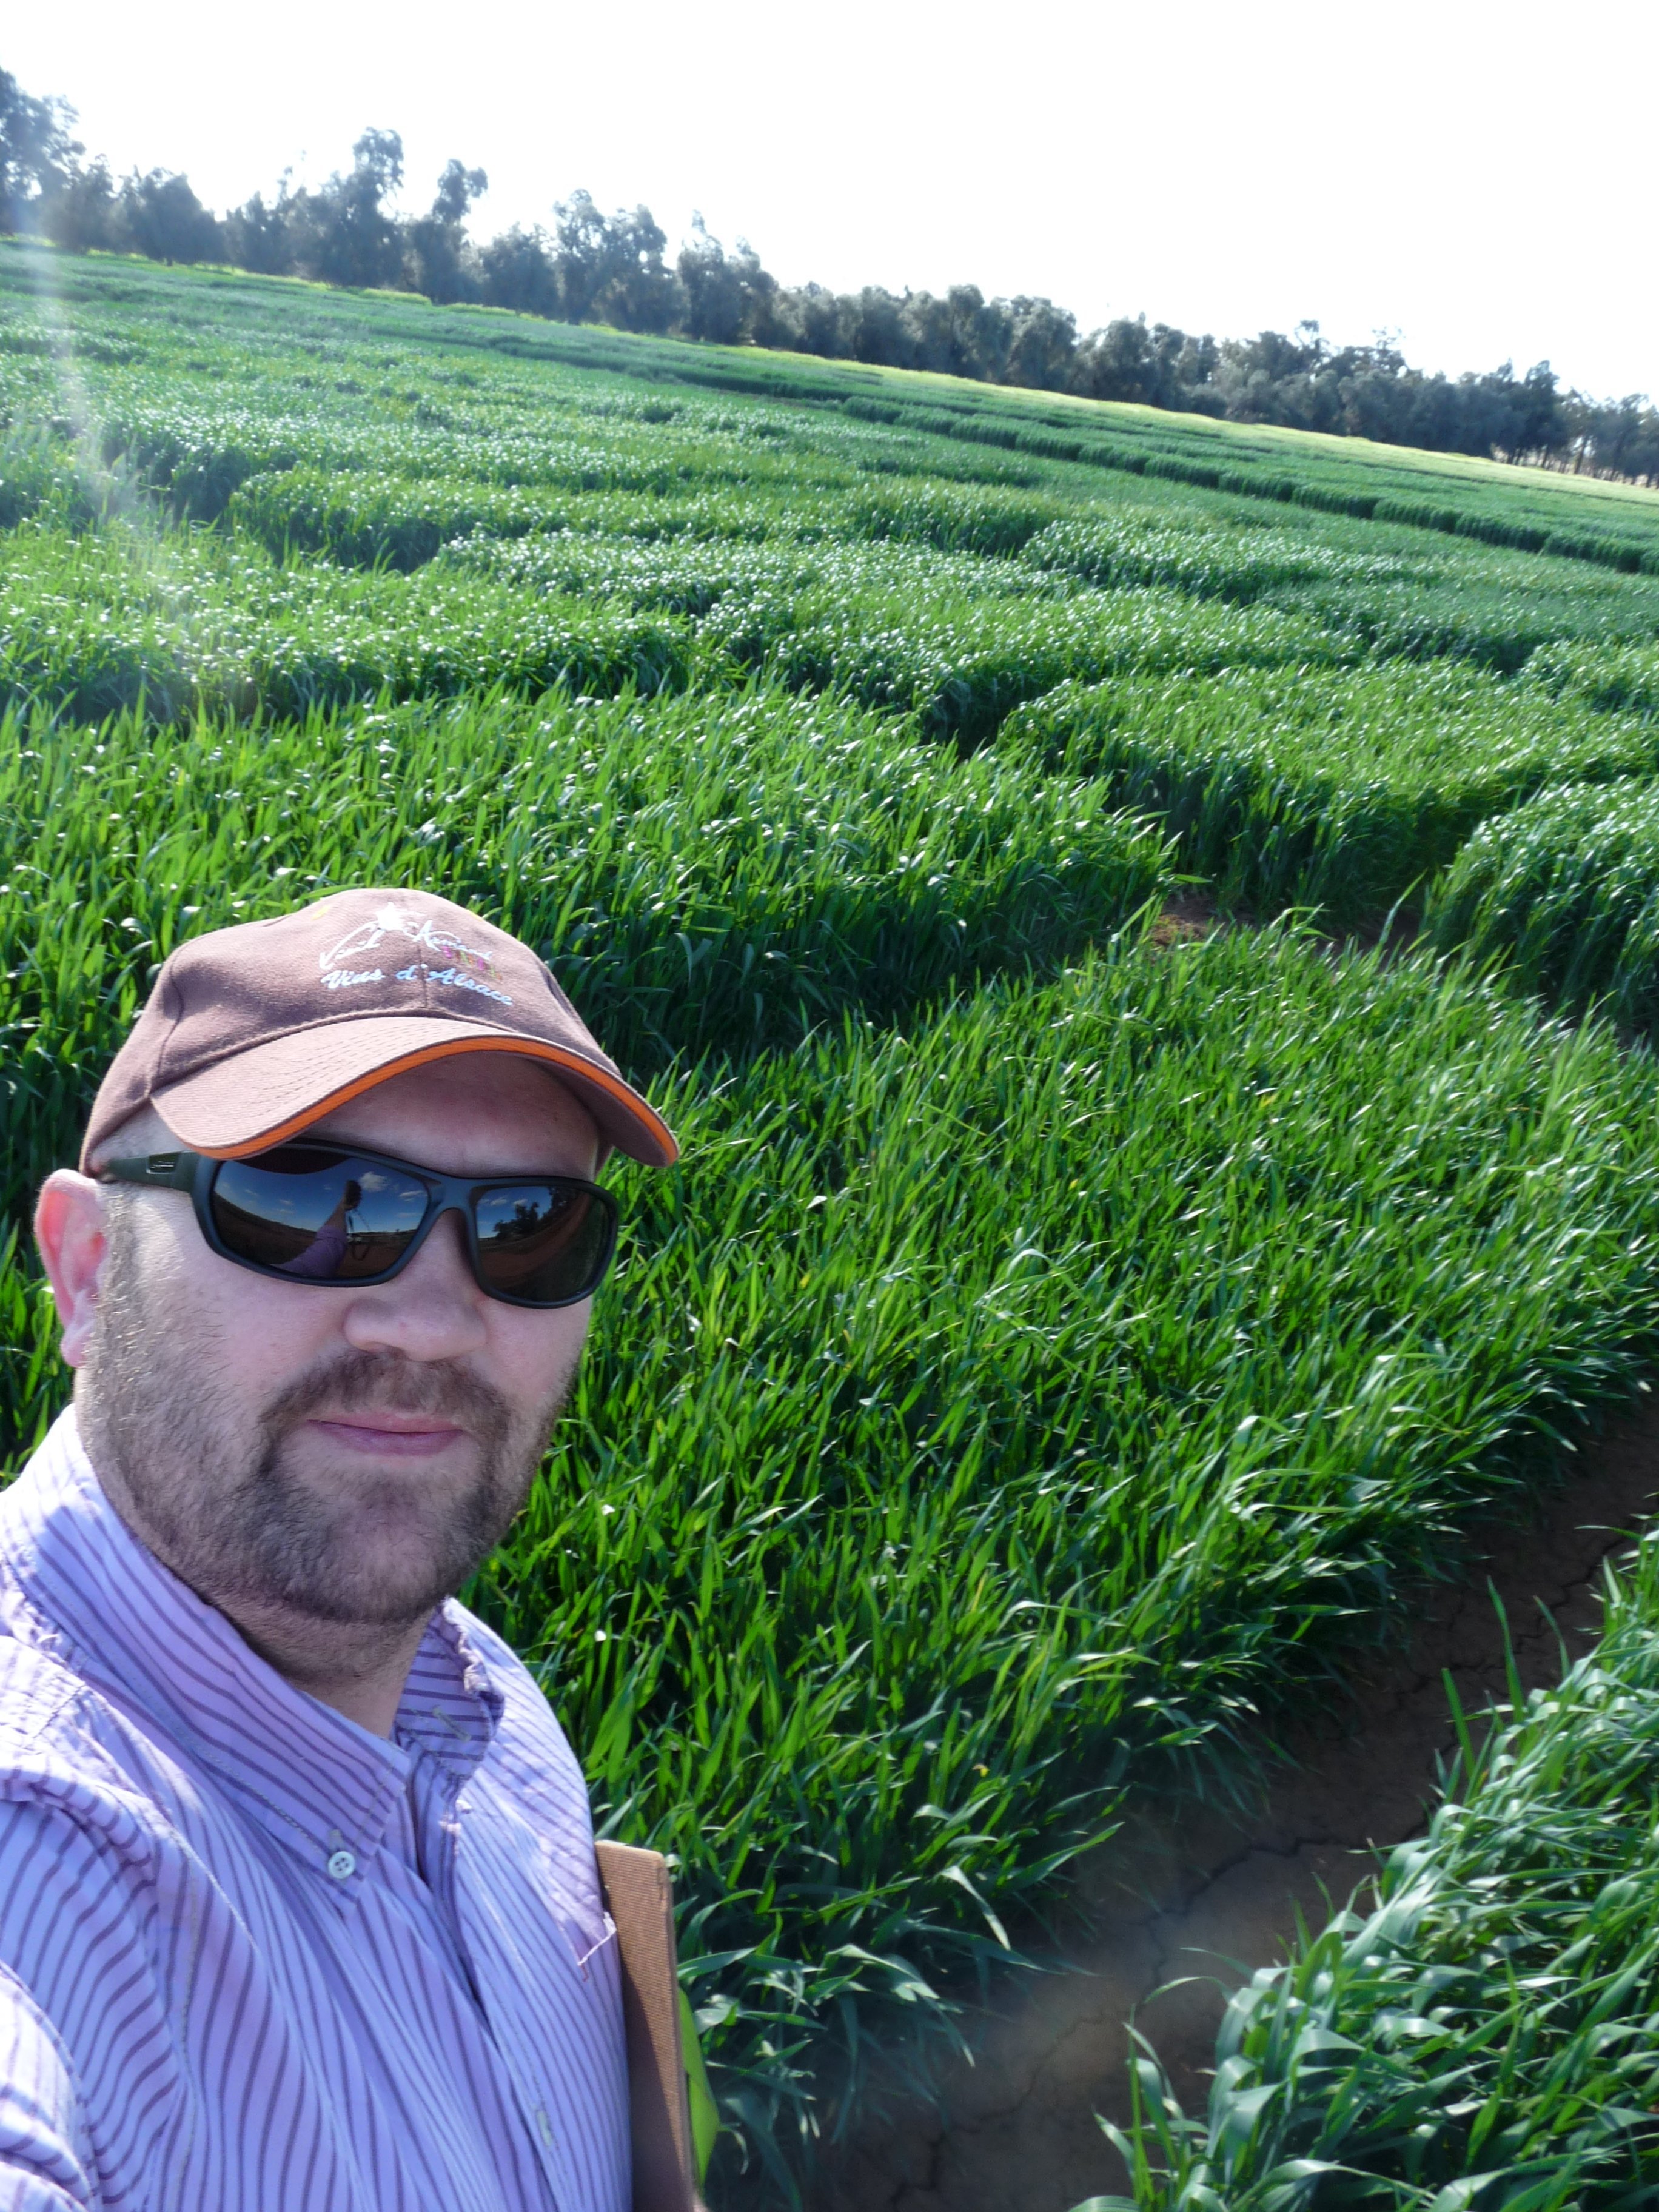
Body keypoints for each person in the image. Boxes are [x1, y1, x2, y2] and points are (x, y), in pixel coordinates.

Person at [0, 888, 679, 2212]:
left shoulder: (483, 1701)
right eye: (307, 1203)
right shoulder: (41, 1841)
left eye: (528, 1227)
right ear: (86, 1269)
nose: (430, 1321)